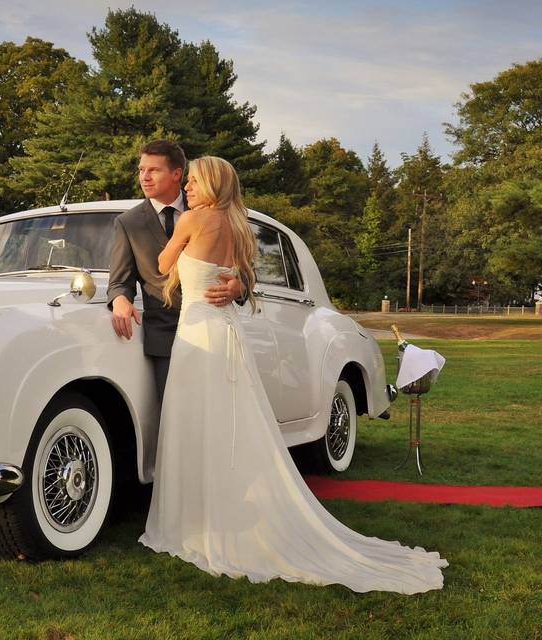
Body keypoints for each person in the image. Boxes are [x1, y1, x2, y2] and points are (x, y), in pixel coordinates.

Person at [138, 156, 447, 594]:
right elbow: (243, 279)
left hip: (199, 336)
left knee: (196, 424)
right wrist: (236, 285)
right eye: (185, 181)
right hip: (226, 333)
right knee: (229, 426)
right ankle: (222, 511)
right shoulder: (239, 226)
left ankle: (198, 519)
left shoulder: (192, 219)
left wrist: (176, 239)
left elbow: (163, 264)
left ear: (212, 184)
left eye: (192, 181)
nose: (186, 187)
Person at [108, 140, 243, 402]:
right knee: (179, 418)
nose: (144, 177)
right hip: (165, 337)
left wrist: (239, 287)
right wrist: (120, 300)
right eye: (141, 170)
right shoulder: (128, 223)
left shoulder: (216, 211)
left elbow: (246, 270)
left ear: (176, 174)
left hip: (218, 331)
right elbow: (120, 280)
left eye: (153, 170)